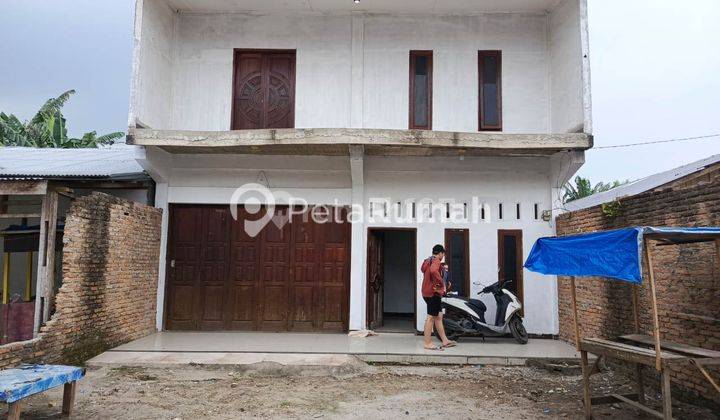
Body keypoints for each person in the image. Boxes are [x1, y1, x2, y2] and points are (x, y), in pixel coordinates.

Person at [421, 244, 457, 350]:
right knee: (431, 317)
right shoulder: (436, 260)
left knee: (438, 316)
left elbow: (426, 271)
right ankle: (427, 343)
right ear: (440, 253)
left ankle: (445, 340)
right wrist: (442, 283)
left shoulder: (428, 260)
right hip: (433, 293)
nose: (443, 256)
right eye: (443, 253)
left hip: (427, 292)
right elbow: (433, 271)